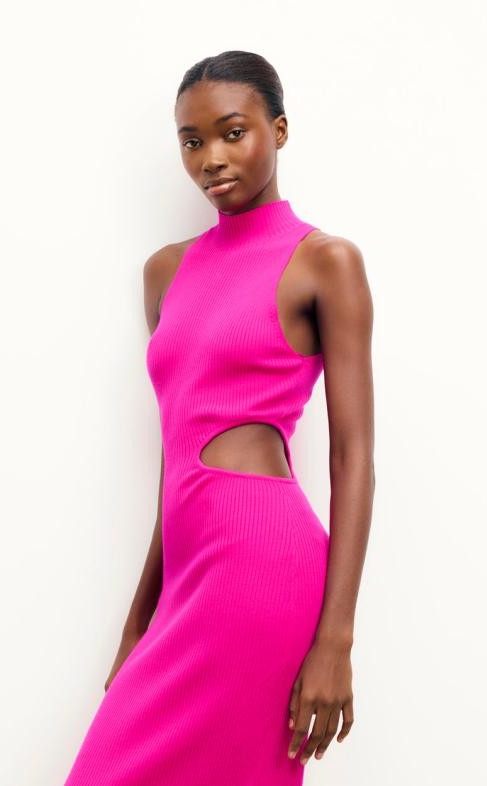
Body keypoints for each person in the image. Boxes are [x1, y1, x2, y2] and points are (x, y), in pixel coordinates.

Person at [63, 50, 375, 786]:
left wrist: (335, 639)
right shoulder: (164, 273)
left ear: (279, 130)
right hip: (187, 575)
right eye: (191, 141)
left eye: (233, 132)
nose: (211, 159)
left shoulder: (324, 262)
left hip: (261, 566)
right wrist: (138, 621)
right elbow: (176, 453)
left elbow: (353, 457)